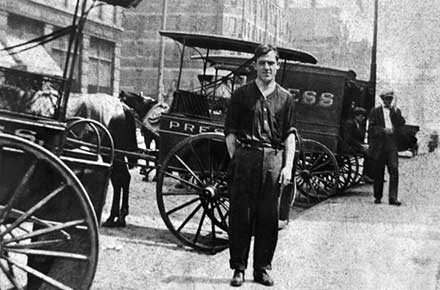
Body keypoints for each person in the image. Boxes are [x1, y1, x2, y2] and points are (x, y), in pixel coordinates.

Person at [224, 44, 296, 287]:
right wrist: (239, 159)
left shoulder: (286, 98)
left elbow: (289, 135)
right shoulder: (241, 95)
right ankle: (238, 268)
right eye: (263, 62)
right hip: (246, 159)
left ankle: (262, 269)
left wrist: (287, 166)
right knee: (240, 216)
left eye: (271, 63)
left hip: (273, 162)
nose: (267, 67)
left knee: (268, 218)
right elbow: (230, 134)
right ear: (255, 65)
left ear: (277, 66)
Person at [367, 90, 405, 206]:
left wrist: (396, 113)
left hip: (392, 145)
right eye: (386, 99)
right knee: (379, 172)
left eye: (390, 99)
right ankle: (378, 196)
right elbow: (372, 128)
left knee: (394, 169)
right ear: (382, 99)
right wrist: (383, 130)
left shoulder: (395, 111)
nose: (388, 101)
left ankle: (393, 198)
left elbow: (402, 123)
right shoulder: (375, 111)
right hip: (379, 145)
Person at [341, 106, 373, 183]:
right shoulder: (350, 123)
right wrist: (361, 146)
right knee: (368, 152)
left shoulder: (357, 124)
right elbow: (348, 139)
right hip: (348, 146)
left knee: (370, 150)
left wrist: (363, 144)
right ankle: (365, 175)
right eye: (362, 116)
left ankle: (368, 175)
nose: (363, 118)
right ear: (356, 116)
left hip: (354, 145)